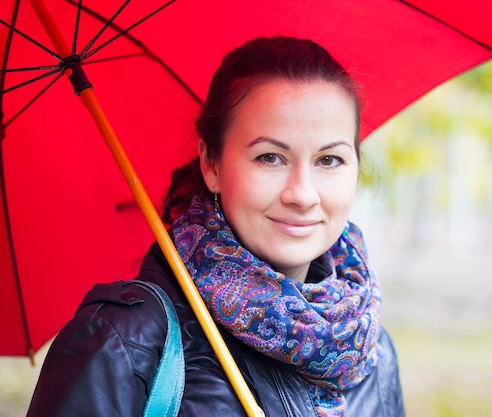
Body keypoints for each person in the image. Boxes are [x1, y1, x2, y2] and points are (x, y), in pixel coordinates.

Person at [27, 36, 405, 417]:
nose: (302, 195)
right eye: (270, 157)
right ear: (212, 163)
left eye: (329, 160)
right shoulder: (123, 344)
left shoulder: (373, 353)